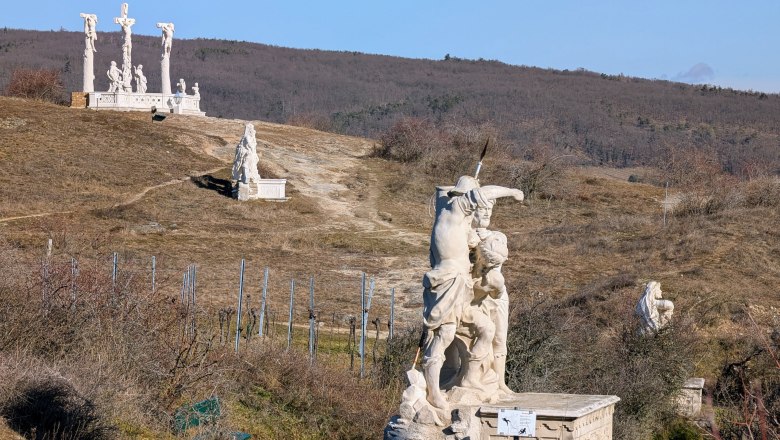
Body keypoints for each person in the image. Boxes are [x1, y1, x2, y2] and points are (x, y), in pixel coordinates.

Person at [422, 175, 523, 411]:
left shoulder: (459, 221)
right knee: (444, 336)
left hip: (463, 286)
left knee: (487, 328)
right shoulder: (453, 214)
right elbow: (484, 194)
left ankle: (469, 378)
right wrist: (511, 191)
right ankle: (433, 392)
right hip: (448, 284)